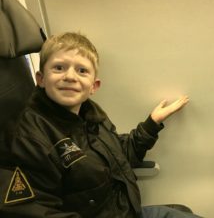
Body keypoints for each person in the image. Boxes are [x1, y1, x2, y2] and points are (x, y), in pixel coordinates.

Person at [0, 32, 201, 218]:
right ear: (41, 79)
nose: (70, 76)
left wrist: (152, 124)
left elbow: (119, 157)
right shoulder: (31, 138)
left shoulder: (92, 117)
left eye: (82, 70)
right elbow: (32, 211)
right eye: (59, 67)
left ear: (93, 86)